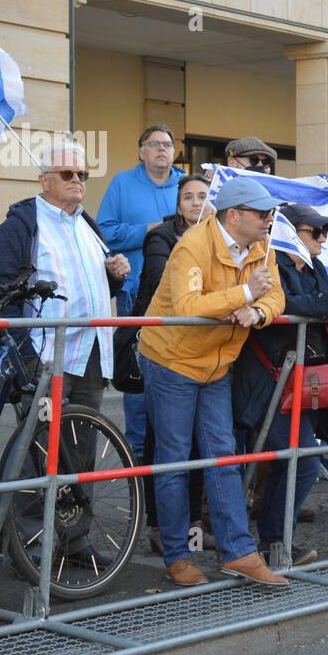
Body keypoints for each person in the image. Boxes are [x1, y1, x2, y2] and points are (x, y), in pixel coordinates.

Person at [138, 176, 289, 587]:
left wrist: (258, 313)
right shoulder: (192, 245)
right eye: (262, 213)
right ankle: (176, 556)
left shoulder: (263, 245)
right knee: (175, 461)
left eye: (270, 212)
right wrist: (243, 295)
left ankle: (238, 552)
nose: (269, 219)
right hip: (171, 361)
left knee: (222, 456)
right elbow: (188, 305)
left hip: (217, 364)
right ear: (234, 215)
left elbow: (276, 296)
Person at [0, 141, 130, 554]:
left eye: (83, 175)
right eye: (68, 175)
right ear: (44, 179)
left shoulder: (87, 223)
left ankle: (73, 538)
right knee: (37, 450)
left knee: (80, 449)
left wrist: (115, 276)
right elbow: (1, 295)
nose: (78, 182)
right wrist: (24, 355)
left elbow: (94, 283)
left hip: (91, 353)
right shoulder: (21, 225)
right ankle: (30, 541)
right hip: (47, 356)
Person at [233, 204, 328, 567]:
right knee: (297, 460)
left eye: (323, 233)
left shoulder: (316, 266)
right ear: (290, 234)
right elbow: (282, 307)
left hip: (303, 382)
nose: (321, 238)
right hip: (267, 383)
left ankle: (274, 541)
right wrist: (327, 301)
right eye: (313, 231)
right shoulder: (270, 262)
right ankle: (269, 542)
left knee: (299, 459)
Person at [95, 125, 185, 464]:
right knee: (139, 372)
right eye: (154, 144)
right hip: (136, 294)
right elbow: (105, 232)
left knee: (177, 374)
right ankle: (137, 454)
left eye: (167, 144)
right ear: (141, 152)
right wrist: (149, 230)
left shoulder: (186, 187)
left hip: (183, 297)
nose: (161, 149)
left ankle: (170, 450)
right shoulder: (122, 183)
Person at [132, 172, 212, 556]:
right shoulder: (162, 237)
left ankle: (193, 527)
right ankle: (160, 527)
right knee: (163, 444)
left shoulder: (218, 238)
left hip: (203, 354)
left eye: (203, 196)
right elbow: (162, 281)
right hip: (162, 354)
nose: (196, 203)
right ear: (178, 205)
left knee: (200, 445)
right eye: (189, 198)